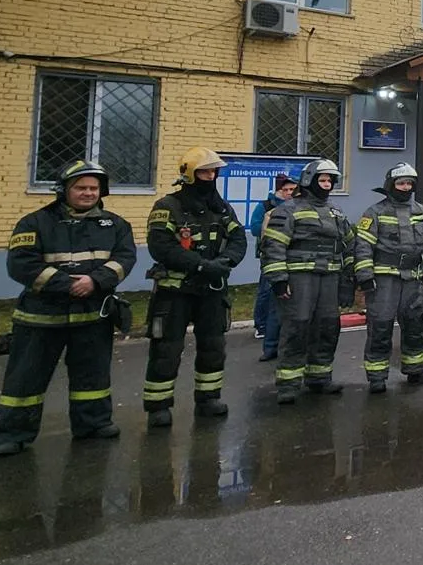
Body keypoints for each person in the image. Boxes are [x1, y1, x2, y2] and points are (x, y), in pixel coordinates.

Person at [0, 160, 137, 455]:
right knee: (26, 378)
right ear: (64, 190)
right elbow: (21, 264)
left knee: (93, 377)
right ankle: (13, 434)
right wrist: (65, 284)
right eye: (80, 187)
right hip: (42, 317)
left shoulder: (116, 225)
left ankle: (93, 423)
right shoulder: (34, 223)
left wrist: (95, 281)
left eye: (93, 188)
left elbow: (124, 259)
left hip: (93, 314)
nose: (87, 193)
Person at [142, 146, 246, 426]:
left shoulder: (222, 209)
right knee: (167, 349)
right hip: (174, 291)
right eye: (203, 171)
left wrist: (225, 262)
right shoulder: (167, 207)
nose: (210, 176)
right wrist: (199, 264)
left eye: (213, 171)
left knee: (213, 346)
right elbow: (161, 246)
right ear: (189, 174)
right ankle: (158, 406)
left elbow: (238, 240)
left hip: (211, 290)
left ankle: (209, 399)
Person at [259, 157, 355, 403]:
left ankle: (320, 378)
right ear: (309, 181)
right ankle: (288, 384)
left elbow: (349, 246)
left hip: (330, 278)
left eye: (330, 180)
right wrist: (279, 280)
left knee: (327, 326)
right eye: (322, 179)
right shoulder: (287, 210)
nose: (326, 184)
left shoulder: (336, 212)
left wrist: (348, 281)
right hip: (300, 277)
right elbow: (274, 246)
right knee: (297, 326)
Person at [354, 161, 423, 393]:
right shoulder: (375, 212)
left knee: (415, 324)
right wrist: (365, 276)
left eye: (409, 184)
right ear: (391, 185)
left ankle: (416, 370)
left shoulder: (422, 212)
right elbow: (363, 246)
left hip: (413, 279)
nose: (405, 187)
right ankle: (377, 376)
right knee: (381, 325)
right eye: (401, 183)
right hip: (384, 278)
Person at [248, 172, 295, 359]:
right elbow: (254, 228)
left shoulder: (298, 207)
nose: (289, 193)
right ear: (278, 191)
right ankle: (261, 327)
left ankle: (279, 340)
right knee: (267, 293)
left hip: (292, 258)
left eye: (293, 189)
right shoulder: (266, 206)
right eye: (286, 190)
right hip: (271, 256)